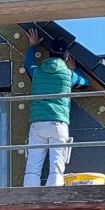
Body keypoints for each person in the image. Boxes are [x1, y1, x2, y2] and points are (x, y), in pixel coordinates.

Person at [22, 27, 85, 187]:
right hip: (58, 123)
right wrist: (74, 68)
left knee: (33, 166)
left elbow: (28, 64)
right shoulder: (68, 75)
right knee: (57, 166)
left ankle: (29, 195)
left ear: (49, 54)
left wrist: (32, 45)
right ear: (66, 56)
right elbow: (85, 82)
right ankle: (54, 195)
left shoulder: (37, 72)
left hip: (38, 122)